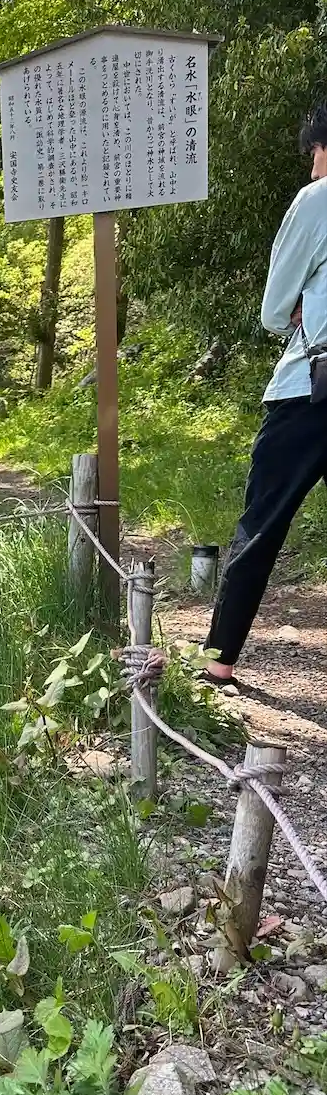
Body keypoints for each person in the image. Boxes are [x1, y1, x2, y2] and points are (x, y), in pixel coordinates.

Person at [204, 105, 327, 687]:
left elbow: (275, 308)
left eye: (315, 151)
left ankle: (220, 658)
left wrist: (297, 307)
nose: (312, 165)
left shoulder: (318, 199)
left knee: (263, 521)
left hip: (311, 388)